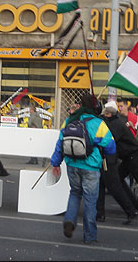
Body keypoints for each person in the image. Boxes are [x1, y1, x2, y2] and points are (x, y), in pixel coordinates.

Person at [50, 92, 116, 244]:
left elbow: (60, 144)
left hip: (72, 164)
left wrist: (55, 163)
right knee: (90, 201)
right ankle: (90, 236)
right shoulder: (98, 123)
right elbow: (111, 147)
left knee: (74, 193)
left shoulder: (69, 120)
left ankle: (69, 221)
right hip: (91, 167)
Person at [97, 101, 138, 225]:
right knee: (102, 185)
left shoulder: (114, 124)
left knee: (115, 187)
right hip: (114, 157)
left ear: (109, 114)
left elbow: (109, 140)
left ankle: (131, 210)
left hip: (111, 158)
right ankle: (100, 213)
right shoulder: (114, 122)